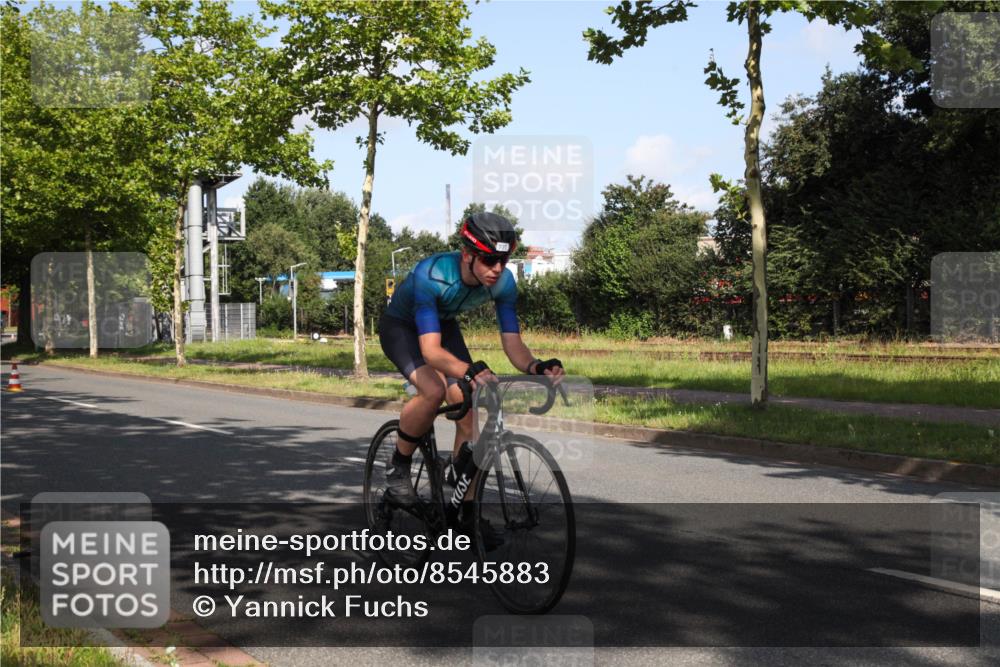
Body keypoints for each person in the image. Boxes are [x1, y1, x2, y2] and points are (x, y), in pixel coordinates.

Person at [378, 211, 565, 547]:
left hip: (443, 324)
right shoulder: (430, 276)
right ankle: (398, 468)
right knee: (433, 390)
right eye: (490, 260)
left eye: (503, 260)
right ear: (467, 254)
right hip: (401, 328)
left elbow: (513, 344)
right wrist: (468, 370)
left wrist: (537, 366)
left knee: (469, 410)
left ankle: (464, 512)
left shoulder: (504, 282)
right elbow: (432, 353)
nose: (497, 268)